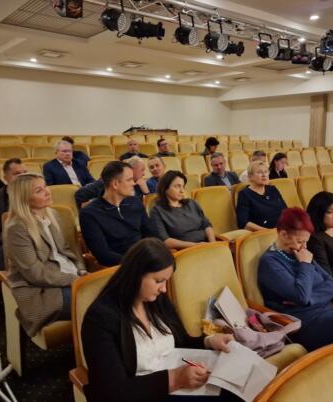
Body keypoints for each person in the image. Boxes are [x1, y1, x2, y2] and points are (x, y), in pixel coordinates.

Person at [82, 237, 236, 402]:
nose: (163, 289)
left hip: (177, 385)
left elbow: (181, 341)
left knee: (233, 387)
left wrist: (209, 342)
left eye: (165, 281)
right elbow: (112, 392)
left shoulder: (156, 300)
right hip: (142, 394)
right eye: (158, 281)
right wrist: (175, 379)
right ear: (135, 275)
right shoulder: (100, 318)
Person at [258, 208, 333, 351]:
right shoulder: (270, 262)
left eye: (306, 242)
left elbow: (331, 285)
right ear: (283, 234)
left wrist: (310, 300)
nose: (304, 247)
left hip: (327, 312)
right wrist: (305, 265)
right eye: (300, 241)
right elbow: (301, 296)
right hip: (304, 323)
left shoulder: (301, 252)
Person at [4, 173, 86, 337]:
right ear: (24, 198)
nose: (48, 192)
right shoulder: (17, 228)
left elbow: (67, 250)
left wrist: (81, 270)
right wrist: (74, 279)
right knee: (98, 302)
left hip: (69, 277)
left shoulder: (52, 215)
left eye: (45, 186)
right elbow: (35, 274)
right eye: (39, 190)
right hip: (42, 291)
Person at [79, 161, 151, 267]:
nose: (134, 183)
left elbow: (150, 233)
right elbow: (103, 255)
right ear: (115, 184)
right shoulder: (89, 214)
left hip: (145, 258)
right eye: (129, 180)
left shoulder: (135, 202)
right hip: (120, 267)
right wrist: (136, 263)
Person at [149, 171, 215, 250]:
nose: (182, 190)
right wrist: (196, 246)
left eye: (183, 186)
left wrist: (213, 244)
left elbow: (207, 225)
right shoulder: (157, 211)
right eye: (177, 186)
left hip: (207, 245)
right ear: (165, 188)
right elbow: (165, 241)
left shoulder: (192, 203)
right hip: (184, 250)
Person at [236, 161, 287, 231]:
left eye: (266, 172)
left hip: (284, 230)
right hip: (264, 233)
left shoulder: (273, 189)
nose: (264, 175)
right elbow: (243, 223)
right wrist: (268, 232)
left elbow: (285, 210)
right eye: (259, 172)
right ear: (250, 177)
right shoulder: (244, 194)